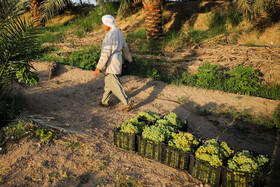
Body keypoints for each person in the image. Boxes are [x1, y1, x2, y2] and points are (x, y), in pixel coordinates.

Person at [94, 15, 135, 112]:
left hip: (111, 62)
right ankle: (104, 101)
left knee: (114, 84)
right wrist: (130, 59)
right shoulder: (119, 33)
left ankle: (128, 102)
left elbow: (105, 53)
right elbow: (125, 48)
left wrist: (98, 67)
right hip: (117, 60)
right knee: (109, 83)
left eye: (104, 23)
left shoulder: (110, 35)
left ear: (108, 24)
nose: (103, 25)